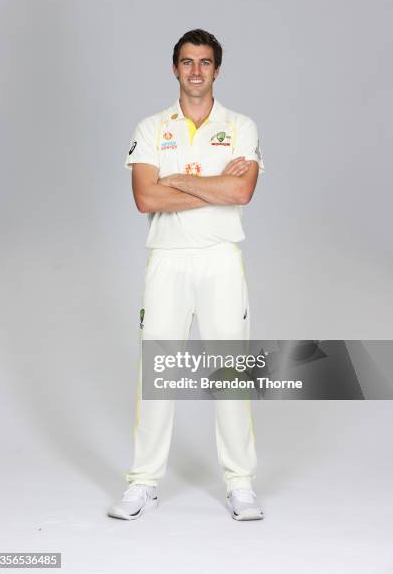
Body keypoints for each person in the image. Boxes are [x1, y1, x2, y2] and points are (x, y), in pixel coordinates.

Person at [108, 29, 265, 521]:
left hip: (220, 258)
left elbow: (242, 195)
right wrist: (213, 185)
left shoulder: (240, 126)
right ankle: (143, 482)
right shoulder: (153, 127)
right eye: (187, 62)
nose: (196, 71)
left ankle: (240, 484)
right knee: (156, 373)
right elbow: (145, 199)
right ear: (174, 68)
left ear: (217, 70)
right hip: (168, 260)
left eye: (204, 62)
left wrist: (177, 179)